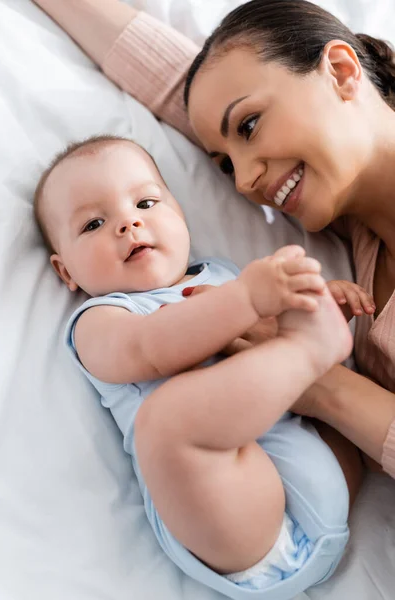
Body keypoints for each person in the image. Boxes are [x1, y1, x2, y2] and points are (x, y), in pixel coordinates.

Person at [32, 0, 395, 479]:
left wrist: (320, 384)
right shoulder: (362, 231)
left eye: (248, 126)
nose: (244, 181)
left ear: (341, 70)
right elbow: (172, 83)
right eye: (225, 163)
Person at [33, 134, 366, 598]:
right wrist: (248, 299)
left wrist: (310, 300)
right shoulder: (101, 319)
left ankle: (311, 345)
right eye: (93, 224)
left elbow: (265, 341)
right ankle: (310, 350)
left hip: (326, 466)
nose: (128, 223)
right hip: (237, 522)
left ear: (180, 214)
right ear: (66, 271)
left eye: (146, 202)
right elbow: (150, 348)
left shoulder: (223, 274)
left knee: (318, 377)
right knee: (163, 422)